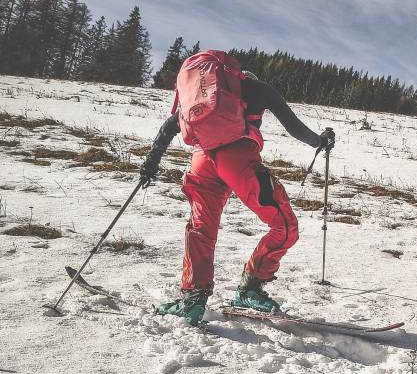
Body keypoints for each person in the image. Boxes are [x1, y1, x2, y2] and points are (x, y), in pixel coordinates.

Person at [140, 66, 336, 326]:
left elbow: (169, 127)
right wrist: (320, 141)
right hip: (237, 157)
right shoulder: (258, 89)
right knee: (284, 225)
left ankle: (193, 300)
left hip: (201, 159)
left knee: (201, 228)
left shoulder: (202, 100)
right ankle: (250, 289)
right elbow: (295, 128)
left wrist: (150, 164)